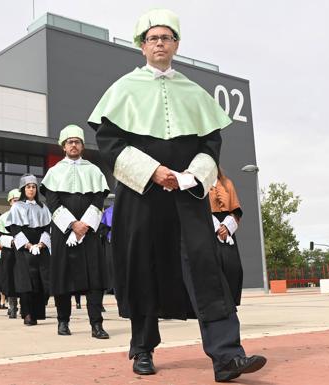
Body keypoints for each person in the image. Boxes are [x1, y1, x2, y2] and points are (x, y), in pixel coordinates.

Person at [89, 9, 266, 381]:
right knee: (142, 266)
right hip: (142, 193)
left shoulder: (193, 92)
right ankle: (142, 347)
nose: (160, 44)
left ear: (176, 45)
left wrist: (190, 177)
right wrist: (153, 171)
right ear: (142, 46)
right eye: (153, 38)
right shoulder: (123, 89)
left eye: (166, 38)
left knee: (206, 266)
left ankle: (226, 356)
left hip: (188, 194)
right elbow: (108, 142)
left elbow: (210, 143)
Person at [41, 124, 111, 339]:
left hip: (89, 231)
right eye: (70, 142)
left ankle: (96, 325)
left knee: (94, 278)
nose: (74, 145)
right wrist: (72, 225)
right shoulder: (54, 172)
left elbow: (98, 200)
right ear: (63, 146)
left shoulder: (93, 170)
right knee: (63, 276)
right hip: (63, 232)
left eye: (77, 142)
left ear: (82, 146)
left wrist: (84, 225)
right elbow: (52, 203)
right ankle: (63, 321)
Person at [5, 174, 52, 326]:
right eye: (28, 187)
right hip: (24, 248)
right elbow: (15, 228)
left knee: (40, 280)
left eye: (33, 187)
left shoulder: (43, 207)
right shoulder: (17, 206)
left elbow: (47, 227)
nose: (31, 189)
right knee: (26, 281)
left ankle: (38, 313)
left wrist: (41, 244)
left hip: (40, 246)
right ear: (23, 189)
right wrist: (28, 245)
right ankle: (27, 314)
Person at [209, 168, 244, 305]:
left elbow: (236, 210)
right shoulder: (198, 182)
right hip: (208, 228)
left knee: (233, 268)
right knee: (213, 269)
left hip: (227, 227)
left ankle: (230, 305)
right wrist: (216, 227)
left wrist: (226, 227)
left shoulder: (227, 183)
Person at [0, 188, 21, 318]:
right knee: (10, 279)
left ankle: (26, 305)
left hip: (25, 251)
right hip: (9, 251)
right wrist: (11, 241)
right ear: (10, 202)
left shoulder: (29, 216)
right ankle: (12, 305)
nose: (17, 203)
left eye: (20, 201)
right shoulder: (4, 217)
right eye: (15, 201)